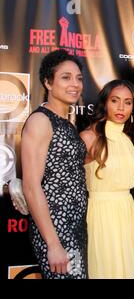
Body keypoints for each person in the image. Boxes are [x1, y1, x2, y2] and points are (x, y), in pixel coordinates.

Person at [21, 49, 88, 279]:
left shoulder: (66, 123)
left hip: (75, 226)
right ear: (48, 82)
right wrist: (53, 243)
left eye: (79, 78)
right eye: (66, 77)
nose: (75, 84)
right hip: (56, 228)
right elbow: (31, 186)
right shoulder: (41, 121)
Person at [80, 79, 134, 279]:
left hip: (126, 212)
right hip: (100, 214)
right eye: (114, 101)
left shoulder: (128, 139)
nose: (121, 108)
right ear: (104, 103)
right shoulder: (89, 137)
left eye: (128, 102)